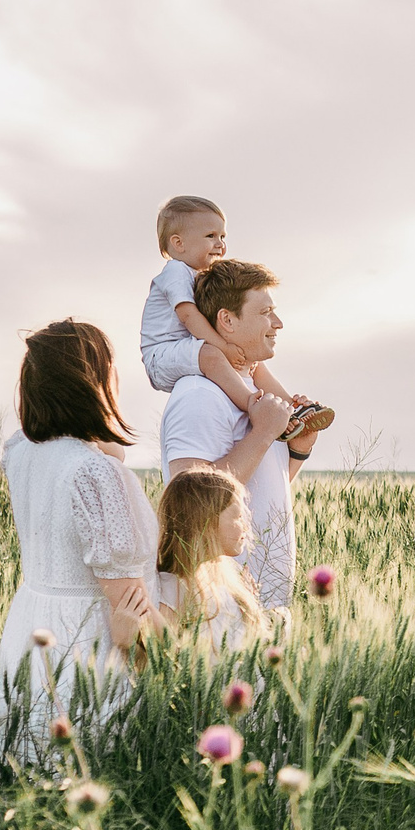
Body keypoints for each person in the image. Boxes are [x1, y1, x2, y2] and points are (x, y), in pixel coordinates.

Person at [0, 320, 163, 760]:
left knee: (27, 757)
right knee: (84, 769)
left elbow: (97, 449)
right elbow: (130, 608)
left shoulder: (22, 451)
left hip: (31, 625)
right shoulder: (96, 473)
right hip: (85, 641)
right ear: (95, 381)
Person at [160, 259, 325, 611]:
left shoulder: (257, 394)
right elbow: (191, 502)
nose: (277, 323)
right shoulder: (199, 395)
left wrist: (296, 451)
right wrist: (264, 432)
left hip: (264, 601)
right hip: (220, 608)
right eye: (265, 312)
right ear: (227, 320)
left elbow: (254, 492)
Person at [139, 195, 328, 438]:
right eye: (211, 236)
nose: (220, 244)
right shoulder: (175, 271)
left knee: (253, 363)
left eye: (222, 236)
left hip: (184, 346)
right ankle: (254, 406)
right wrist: (224, 346)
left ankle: (292, 408)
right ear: (179, 243)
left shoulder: (195, 274)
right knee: (211, 355)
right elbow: (188, 316)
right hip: (161, 354)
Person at [154, 468, 270, 648]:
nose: (246, 527)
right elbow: (164, 655)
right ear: (205, 523)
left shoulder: (230, 578)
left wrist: (249, 602)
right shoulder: (172, 588)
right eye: (238, 517)